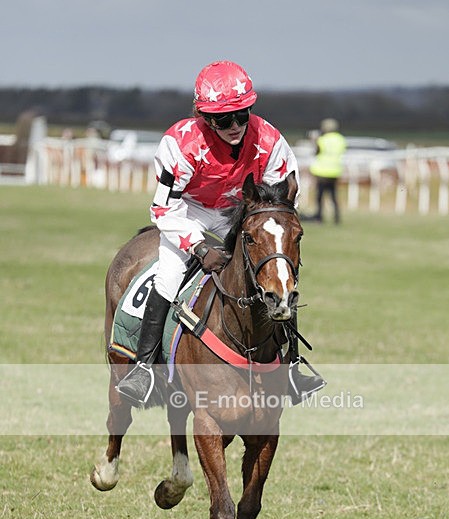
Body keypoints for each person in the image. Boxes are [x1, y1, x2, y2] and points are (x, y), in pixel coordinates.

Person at [116, 60, 325, 406]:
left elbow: (285, 199)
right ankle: (143, 370)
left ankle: (292, 369)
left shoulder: (270, 141)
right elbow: (162, 209)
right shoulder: (179, 143)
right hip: (189, 211)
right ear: (203, 116)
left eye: (242, 115)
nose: (234, 126)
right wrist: (198, 248)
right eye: (223, 119)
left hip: (242, 212)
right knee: (168, 277)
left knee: (280, 275)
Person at [309, 118, 346, 224]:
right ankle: (337, 218)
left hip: (322, 172)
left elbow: (317, 152)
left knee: (320, 196)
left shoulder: (322, 139)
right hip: (335, 171)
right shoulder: (340, 139)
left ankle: (319, 217)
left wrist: (314, 140)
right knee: (333, 196)